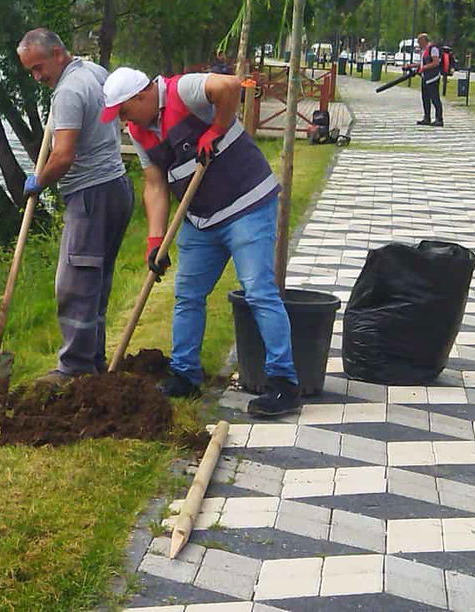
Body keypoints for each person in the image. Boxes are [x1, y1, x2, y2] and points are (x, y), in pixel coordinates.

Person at [100, 66, 302, 418]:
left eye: (124, 111)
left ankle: (284, 382)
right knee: (187, 294)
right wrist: (155, 240)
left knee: (258, 290)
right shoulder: (139, 131)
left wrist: (216, 130)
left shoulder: (184, 91)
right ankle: (185, 374)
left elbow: (229, 86)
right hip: (201, 219)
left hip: (246, 205)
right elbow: (155, 185)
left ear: (142, 96)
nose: (122, 120)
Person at [16, 29, 134, 386]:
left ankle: (74, 368)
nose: (37, 77)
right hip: (117, 188)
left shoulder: (68, 91)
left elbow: (64, 156)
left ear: (57, 53)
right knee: (96, 281)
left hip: (90, 194)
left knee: (74, 284)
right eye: (31, 72)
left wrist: (40, 180)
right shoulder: (95, 72)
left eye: (39, 67)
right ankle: (93, 361)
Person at [413, 32, 446, 127]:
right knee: (425, 98)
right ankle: (426, 118)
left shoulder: (433, 49)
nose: (418, 44)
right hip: (425, 77)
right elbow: (423, 63)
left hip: (433, 77)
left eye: (419, 41)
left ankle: (439, 119)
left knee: (435, 98)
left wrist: (424, 68)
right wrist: (412, 66)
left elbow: (435, 63)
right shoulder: (424, 50)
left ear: (424, 40)